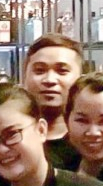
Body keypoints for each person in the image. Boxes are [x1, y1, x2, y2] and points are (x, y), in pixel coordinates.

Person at [20, 33, 84, 170]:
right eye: (39, 70)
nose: (49, 80)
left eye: (62, 71)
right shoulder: (10, 141)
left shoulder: (90, 141)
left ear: (80, 79)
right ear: (24, 77)